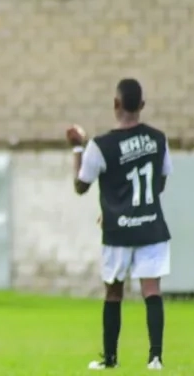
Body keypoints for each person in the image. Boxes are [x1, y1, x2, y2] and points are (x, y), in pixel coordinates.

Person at [66, 78, 171, 371]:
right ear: (142, 106)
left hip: (118, 229)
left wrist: (77, 148)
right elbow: (159, 182)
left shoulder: (100, 145)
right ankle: (156, 358)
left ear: (115, 104)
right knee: (152, 290)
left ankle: (110, 359)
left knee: (113, 292)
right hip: (152, 226)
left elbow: (81, 186)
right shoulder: (159, 139)